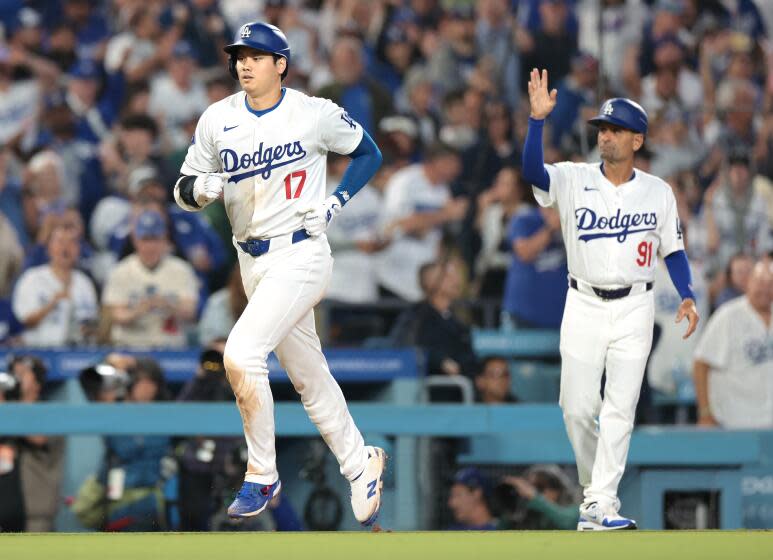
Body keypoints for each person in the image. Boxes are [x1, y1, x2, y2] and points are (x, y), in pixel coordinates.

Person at [172, 21, 386, 526]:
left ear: (281, 64)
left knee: (243, 354)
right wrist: (196, 192)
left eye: (256, 55)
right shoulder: (217, 119)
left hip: (302, 253)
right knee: (309, 378)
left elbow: (368, 153)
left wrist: (334, 201)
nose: (244, 62)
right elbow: (182, 185)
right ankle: (360, 464)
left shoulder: (312, 113)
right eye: (239, 55)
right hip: (252, 260)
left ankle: (261, 475)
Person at [522, 68, 700, 530]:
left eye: (615, 130)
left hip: (635, 305)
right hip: (582, 301)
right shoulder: (573, 178)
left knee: (620, 407)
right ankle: (593, 489)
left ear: (637, 140)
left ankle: (601, 502)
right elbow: (532, 173)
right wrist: (537, 122)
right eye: (602, 130)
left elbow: (674, 250)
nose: (605, 137)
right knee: (577, 407)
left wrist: (687, 294)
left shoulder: (658, 191)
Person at [693, 260, 773, 428]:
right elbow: (701, 364)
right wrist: (705, 413)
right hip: (734, 421)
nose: (765, 289)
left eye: (770, 284)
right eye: (760, 282)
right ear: (749, 282)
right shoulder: (728, 315)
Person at [101, 209, 198, 348]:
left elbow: (190, 312)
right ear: (135, 240)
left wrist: (167, 305)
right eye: (145, 239)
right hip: (129, 346)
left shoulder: (181, 269)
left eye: (155, 239)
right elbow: (115, 315)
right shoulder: (121, 271)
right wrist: (142, 308)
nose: (150, 246)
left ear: (165, 239)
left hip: (170, 348)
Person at [11, 224, 99, 347]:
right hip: (38, 351)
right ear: (48, 247)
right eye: (60, 242)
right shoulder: (32, 278)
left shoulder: (85, 283)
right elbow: (25, 321)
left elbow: (91, 324)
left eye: (72, 242)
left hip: (76, 353)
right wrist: (52, 304)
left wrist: (87, 328)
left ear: (79, 249)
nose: (65, 247)